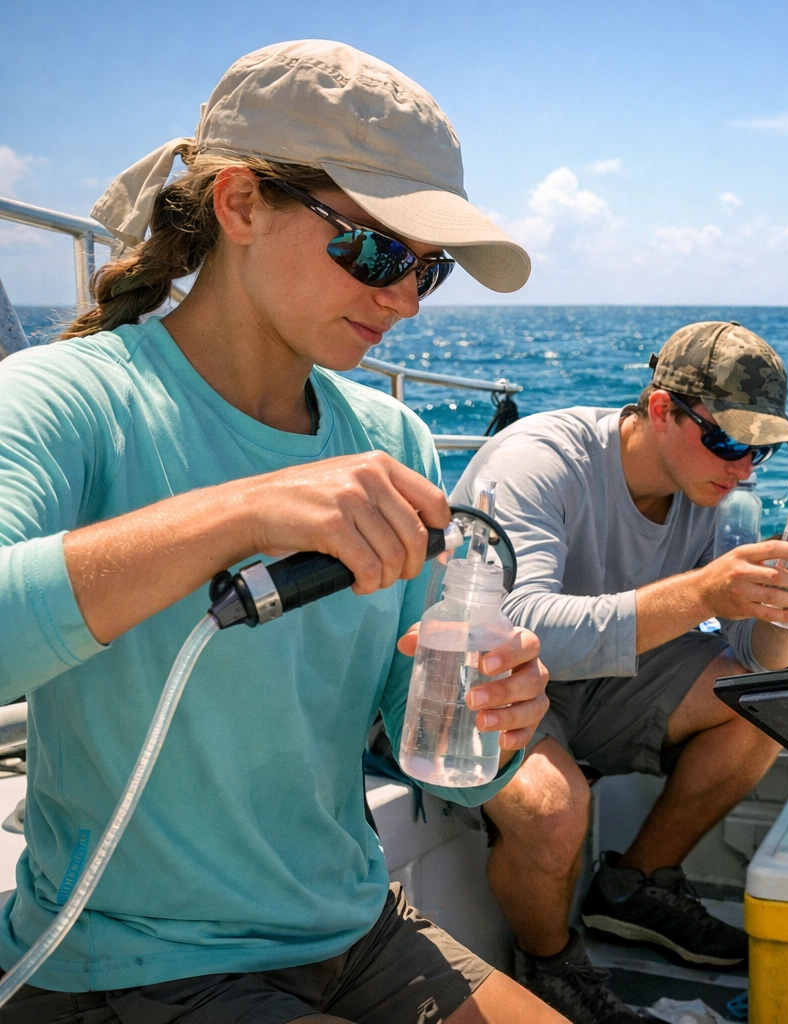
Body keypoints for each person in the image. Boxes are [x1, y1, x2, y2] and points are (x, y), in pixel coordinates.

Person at [0, 42, 565, 1023]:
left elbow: (435, 742)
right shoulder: (65, 401)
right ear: (240, 204)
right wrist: (244, 510)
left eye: (425, 271)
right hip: (131, 965)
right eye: (373, 248)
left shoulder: (393, 437)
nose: (400, 299)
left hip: (355, 929)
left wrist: (498, 721)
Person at [454, 321, 788, 1024]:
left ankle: (634, 886)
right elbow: (510, 625)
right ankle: (552, 966)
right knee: (555, 810)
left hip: (601, 684)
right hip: (490, 679)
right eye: (729, 441)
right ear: (658, 408)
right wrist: (704, 592)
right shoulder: (537, 459)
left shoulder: (714, 498)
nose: (743, 468)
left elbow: (753, 652)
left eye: (759, 451)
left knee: (764, 700)